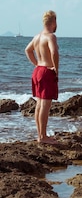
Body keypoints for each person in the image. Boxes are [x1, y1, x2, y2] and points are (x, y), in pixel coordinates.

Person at [25, 10, 59, 144]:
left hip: (38, 70)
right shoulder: (50, 36)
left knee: (39, 104)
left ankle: (40, 135)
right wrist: (56, 68)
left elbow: (28, 50)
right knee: (45, 105)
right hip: (46, 71)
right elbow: (54, 52)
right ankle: (43, 137)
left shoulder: (37, 36)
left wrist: (36, 64)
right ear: (54, 22)